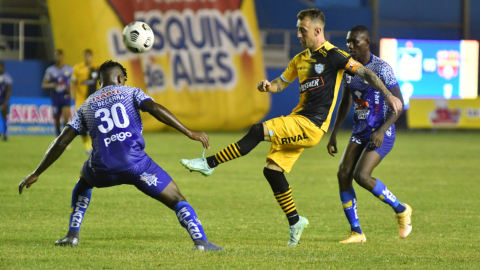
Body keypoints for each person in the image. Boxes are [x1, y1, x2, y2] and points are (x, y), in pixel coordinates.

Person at [180, 9, 403, 247]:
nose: (298, 34)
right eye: (297, 29)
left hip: (311, 126)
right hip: (299, 120)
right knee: (272, 171)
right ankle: (295, 221)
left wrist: (388, 95)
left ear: (317, 31)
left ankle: (209, 164)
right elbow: (281, 83)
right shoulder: (300, 59)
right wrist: (268, 86)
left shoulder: (334, 56)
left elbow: (366, 72)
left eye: (302, 30)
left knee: (257, 130)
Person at [19, 60, 223, 251]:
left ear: (100, 81)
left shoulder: (86, 105)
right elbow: (154, 108)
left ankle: (72, 235)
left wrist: (37, 172)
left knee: (83, 181)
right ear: (119, 79)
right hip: (137, 166)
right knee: (177, 199)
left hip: (101, 169)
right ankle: (201, 241)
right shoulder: (131, 92)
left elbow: (62, 141)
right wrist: (189, 132)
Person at [326, 25, 412, 243]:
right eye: (348, 42)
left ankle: (401, 209)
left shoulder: (382, 68)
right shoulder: (349, 68)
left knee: (362, 176)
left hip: (382, 131)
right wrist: (334, 133)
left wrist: (382, 130)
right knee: (343, 174)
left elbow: (398, 104)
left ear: (367, 43)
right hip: (360, 131)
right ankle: (356, 232)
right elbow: (345, 102)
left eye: (355, 42)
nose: (350, 46)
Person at [42, 49, 74, 137]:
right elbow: (44, 85)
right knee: (56, 119)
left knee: (66, 118)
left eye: (59, 56)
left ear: (62, 57)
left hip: (65, 96)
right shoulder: (51, 70)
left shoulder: (70, 69)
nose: (58, 58)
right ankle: (57, 136)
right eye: (56, 56)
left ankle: (64, 138)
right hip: (55, 97)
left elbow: (74, 83)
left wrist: (71, 89)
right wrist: (53, 85)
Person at [71, 49, 98, 153]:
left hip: (91, 100)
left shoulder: (95, 68)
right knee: (82, 124)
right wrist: (73, 94)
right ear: (83, 57)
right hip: (80, 100)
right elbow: (73, 82)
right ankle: (87, 147)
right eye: (85, 56)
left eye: (89, 56)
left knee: (92, 124)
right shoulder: (78, 68)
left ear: (92, 57)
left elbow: (100, 82)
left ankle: (93, 146)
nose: (87, 58)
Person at [0, 60, 13, 141]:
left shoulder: (7, 77)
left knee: (4, 115)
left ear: (3, 67)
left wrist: (6, 101)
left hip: (3, 99)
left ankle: (5, 134)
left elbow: (9, 90)